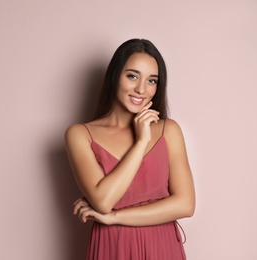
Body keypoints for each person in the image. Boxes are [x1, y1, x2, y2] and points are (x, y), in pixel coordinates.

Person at [64, 39, 195, 260]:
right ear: (115, 76)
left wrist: (115, 217)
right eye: (132, 76)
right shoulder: (80, 134)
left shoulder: (168, 130)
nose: (141, 89)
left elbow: (185, 204)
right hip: (113, 247)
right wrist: (141, 142)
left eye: (152, 80)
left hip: (162, 247)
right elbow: (103, 201)